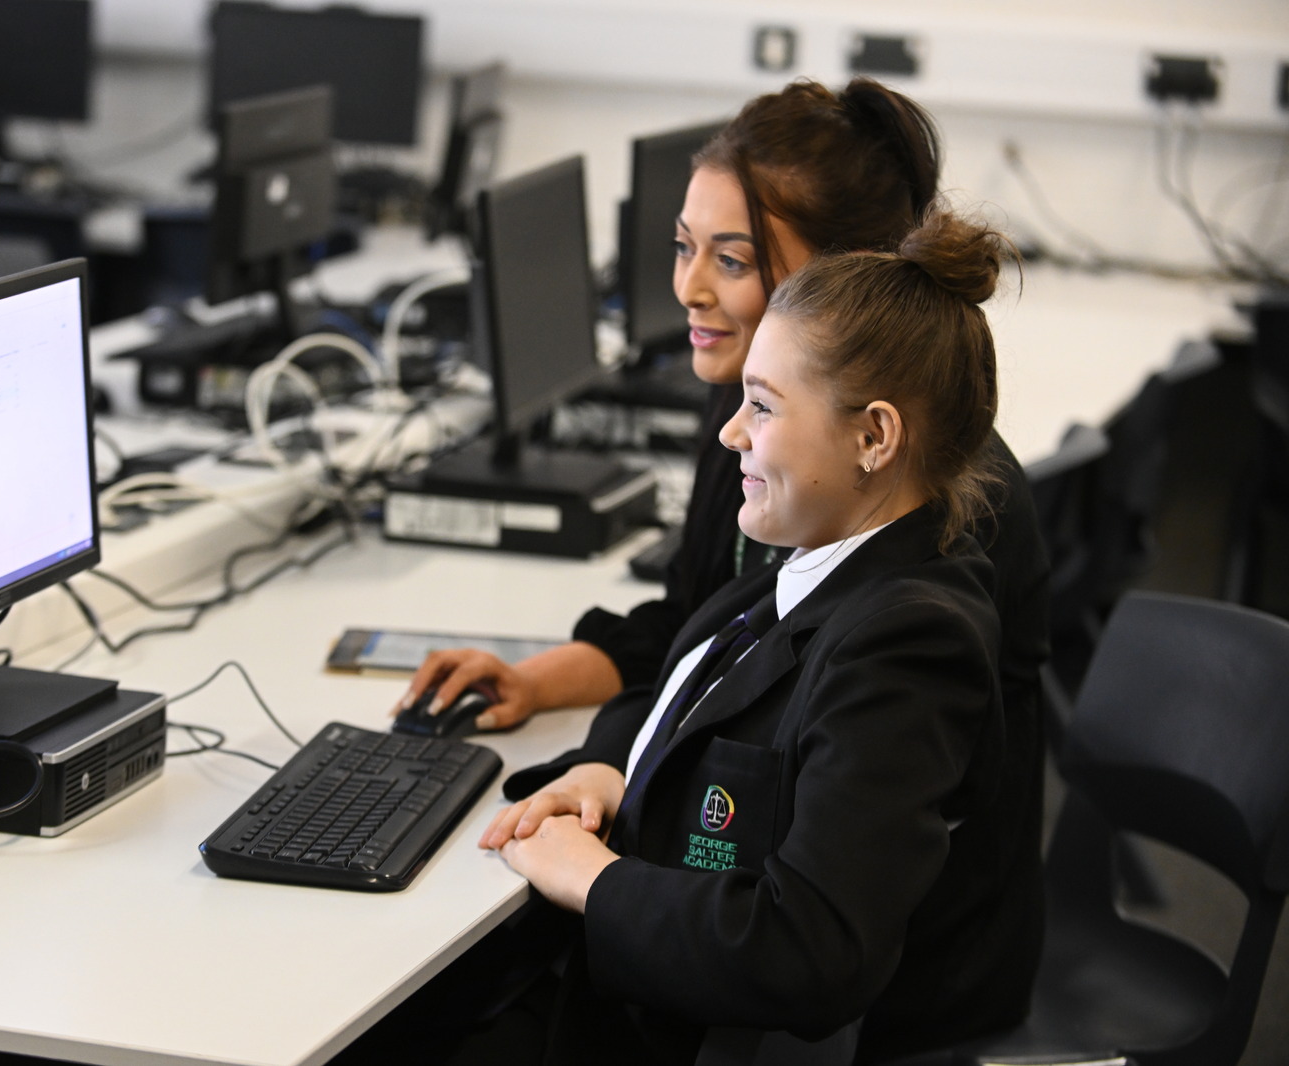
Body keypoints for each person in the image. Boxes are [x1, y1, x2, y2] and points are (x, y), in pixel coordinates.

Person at [476, 209, 1043, 1065]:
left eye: (762, 407)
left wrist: (592, 882)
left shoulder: (909, 645)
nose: (729, 432)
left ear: (874, 436)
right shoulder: (815, 561)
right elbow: (697, 693)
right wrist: (613, 773)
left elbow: (808, 951)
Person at [394, 78, 1045, 741]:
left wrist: (607, 781)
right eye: (683, 247)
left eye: (731, 261)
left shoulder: (920, 488)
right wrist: (532, 681)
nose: (688, 288)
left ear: (845, 276)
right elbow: (696, 625)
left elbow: (785, 727)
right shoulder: (742, 407)